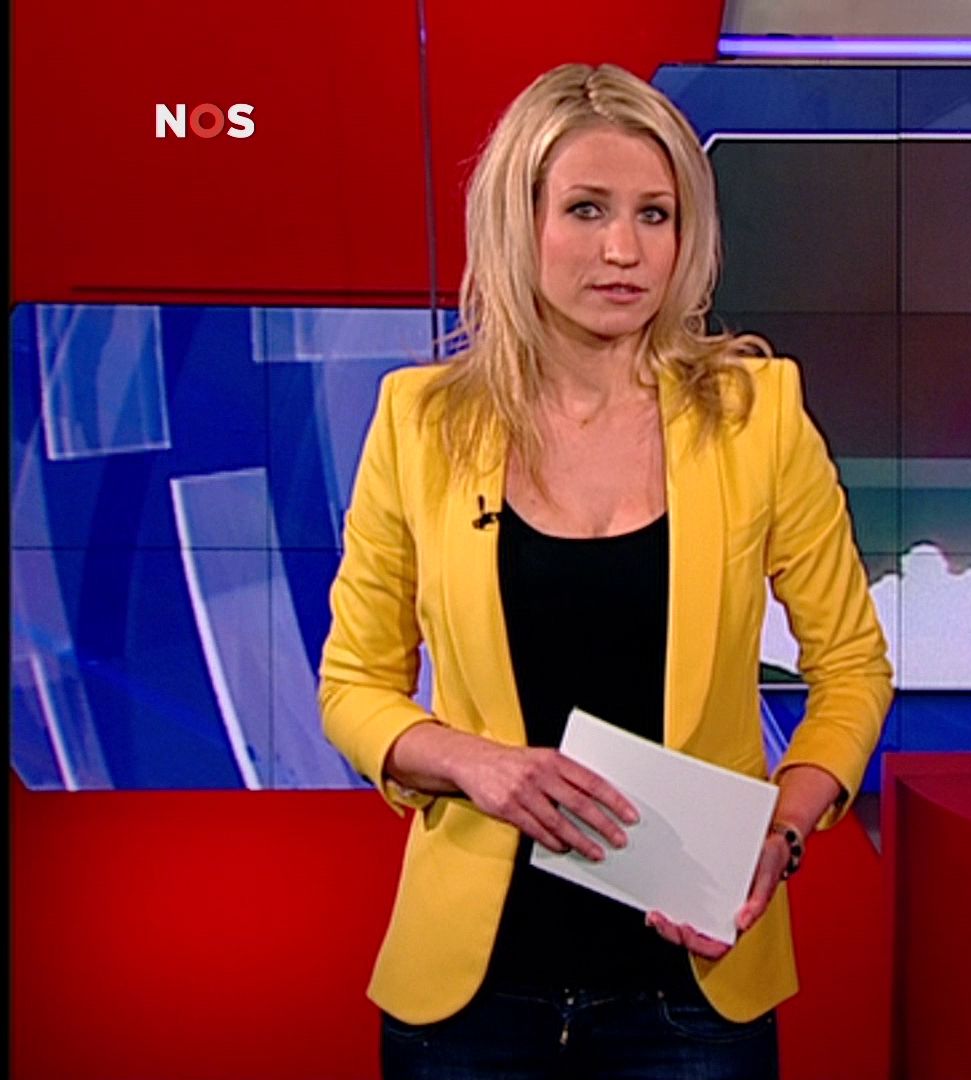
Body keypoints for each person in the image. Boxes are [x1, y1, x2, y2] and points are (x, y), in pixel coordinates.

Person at [318, 61, 891, 1079]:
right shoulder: (420, 423)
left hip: (690, 995)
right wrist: (475, 763)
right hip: (471, 1004)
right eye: (586, 209)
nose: (624, 249)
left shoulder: (757, 416)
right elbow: (353, 686)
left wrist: (782, 829)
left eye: (654, 215)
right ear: (519, 221)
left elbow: (850, 669)